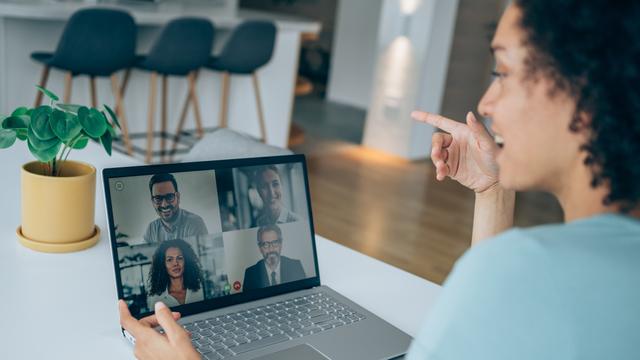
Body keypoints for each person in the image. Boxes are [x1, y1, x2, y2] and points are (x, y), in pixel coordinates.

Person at [120, 1, 640, 359]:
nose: (486, 103)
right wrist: (493, 189)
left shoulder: (524, 270)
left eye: (503, 71)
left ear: (582, 89)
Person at [143, 173, 208, 244]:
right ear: (152, 201)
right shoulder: (151, 229)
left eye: (169, 197)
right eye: (158, 198)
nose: (164, 205)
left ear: (178, 197)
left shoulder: (195, 223)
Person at [242, 224, 306, 291]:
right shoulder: (250, 274)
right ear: (260, 248)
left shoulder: (296, 266)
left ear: (281, 244)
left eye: (275, 243)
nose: (271, 249)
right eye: (266, 244)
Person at [147, 239, 205, 307]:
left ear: (186, 261)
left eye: (179, 258)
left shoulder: (201, 289)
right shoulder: (157, 300)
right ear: (162, 264)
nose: (175, 263)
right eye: (169, 260)